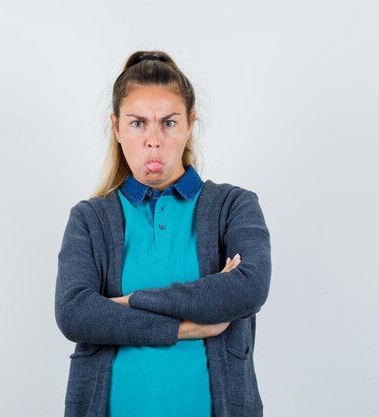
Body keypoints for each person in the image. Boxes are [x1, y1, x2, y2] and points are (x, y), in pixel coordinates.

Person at [54, 50, 271, 417]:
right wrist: (182, 329)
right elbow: (74, 314)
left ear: (189, 124)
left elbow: (248, 288)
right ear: (117, 127)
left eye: (168, 123)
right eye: (138, 123)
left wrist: (122, 303)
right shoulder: (89, 219)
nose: (153, 140)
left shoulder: (234, 206)